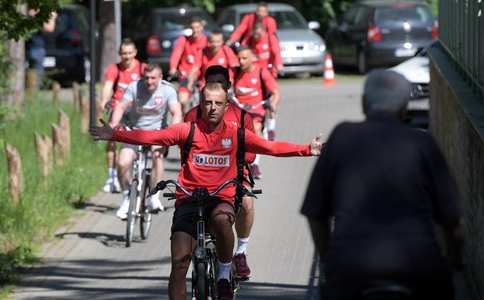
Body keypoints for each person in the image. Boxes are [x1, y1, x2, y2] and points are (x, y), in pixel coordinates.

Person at [90, 82, 323, 300]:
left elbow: (271, 147)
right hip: (189, 199)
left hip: (221, 196)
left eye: (218, 103)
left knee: (222, 220)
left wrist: (306, 149)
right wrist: (115, 135)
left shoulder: (236, 133)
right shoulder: (187, 131)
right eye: (208, 103)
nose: (212, 108)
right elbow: (153, 137)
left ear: (227, 106)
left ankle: (223, 275)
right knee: (179, 263)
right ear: (200, 105)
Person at [301, 70, 465, 300]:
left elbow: (315, 213)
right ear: (405, 107)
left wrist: (330, 261)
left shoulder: (342, 136)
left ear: (364, 102)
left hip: (353, 269)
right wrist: (454, 263)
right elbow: (454, 220)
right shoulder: (422, 143)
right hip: (418, 266)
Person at [185, 65, 256, 279]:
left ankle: (241, 251)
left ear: (229, 88)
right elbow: (185, 147)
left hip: (233, 173)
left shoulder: (241, 116)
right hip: (201, 174)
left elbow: (251, 155)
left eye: (222, 85)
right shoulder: (192, 115)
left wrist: (225, 155)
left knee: (246, 202)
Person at [108, 63, 182, 219]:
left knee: (157, 156)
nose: (150, 82)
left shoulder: (168, 90)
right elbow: (121, 107)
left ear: (160, 78)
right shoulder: (134, 87)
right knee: (123, 163)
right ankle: (127, 196)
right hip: (134, 130)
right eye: (146, 78)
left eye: (153, 78)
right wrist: (113, 126)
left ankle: (154, 195)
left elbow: (176, 112)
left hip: (157, 132)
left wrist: (172, 133)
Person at [99, 39, 146, 193]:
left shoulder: (142, 69)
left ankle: (141, 170)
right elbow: (107, 86)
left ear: (135, 52)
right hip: (118, 109)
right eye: (124, 53)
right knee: (111, 136)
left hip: (138, 111)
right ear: (119, 54)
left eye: (130, 53)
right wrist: (104, 100)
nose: (127, 57)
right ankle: (111, 177)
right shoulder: (115, 69)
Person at [234, 46, 281, 179]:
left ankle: (254, 164)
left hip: (256, 109)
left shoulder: (262, 72)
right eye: (239, 58)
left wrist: (273, 104)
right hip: (238, 108)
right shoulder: (235, 72)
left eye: (244, 58)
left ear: (253, 59)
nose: (241, 61)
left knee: (255, 129)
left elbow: (276, 93)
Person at [168, 16, 208, 114]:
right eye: (193, 27)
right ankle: (184, 117)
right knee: (182, 100)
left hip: (201, 75)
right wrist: (173, 67)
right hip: (185, 74)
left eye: (197, 27)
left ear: (202, 27)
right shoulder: (184, 40)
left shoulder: (207, 41)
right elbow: (176, 54)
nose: (195, 30)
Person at [25, 8, 57, 90]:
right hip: (31, 48)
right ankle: (32, 91)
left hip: (35, 47)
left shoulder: (37, 13)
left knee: (35, 74)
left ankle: (32, 92)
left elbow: (49, 28)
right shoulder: (33, 12)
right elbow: (50, 28)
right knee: (33, 73)